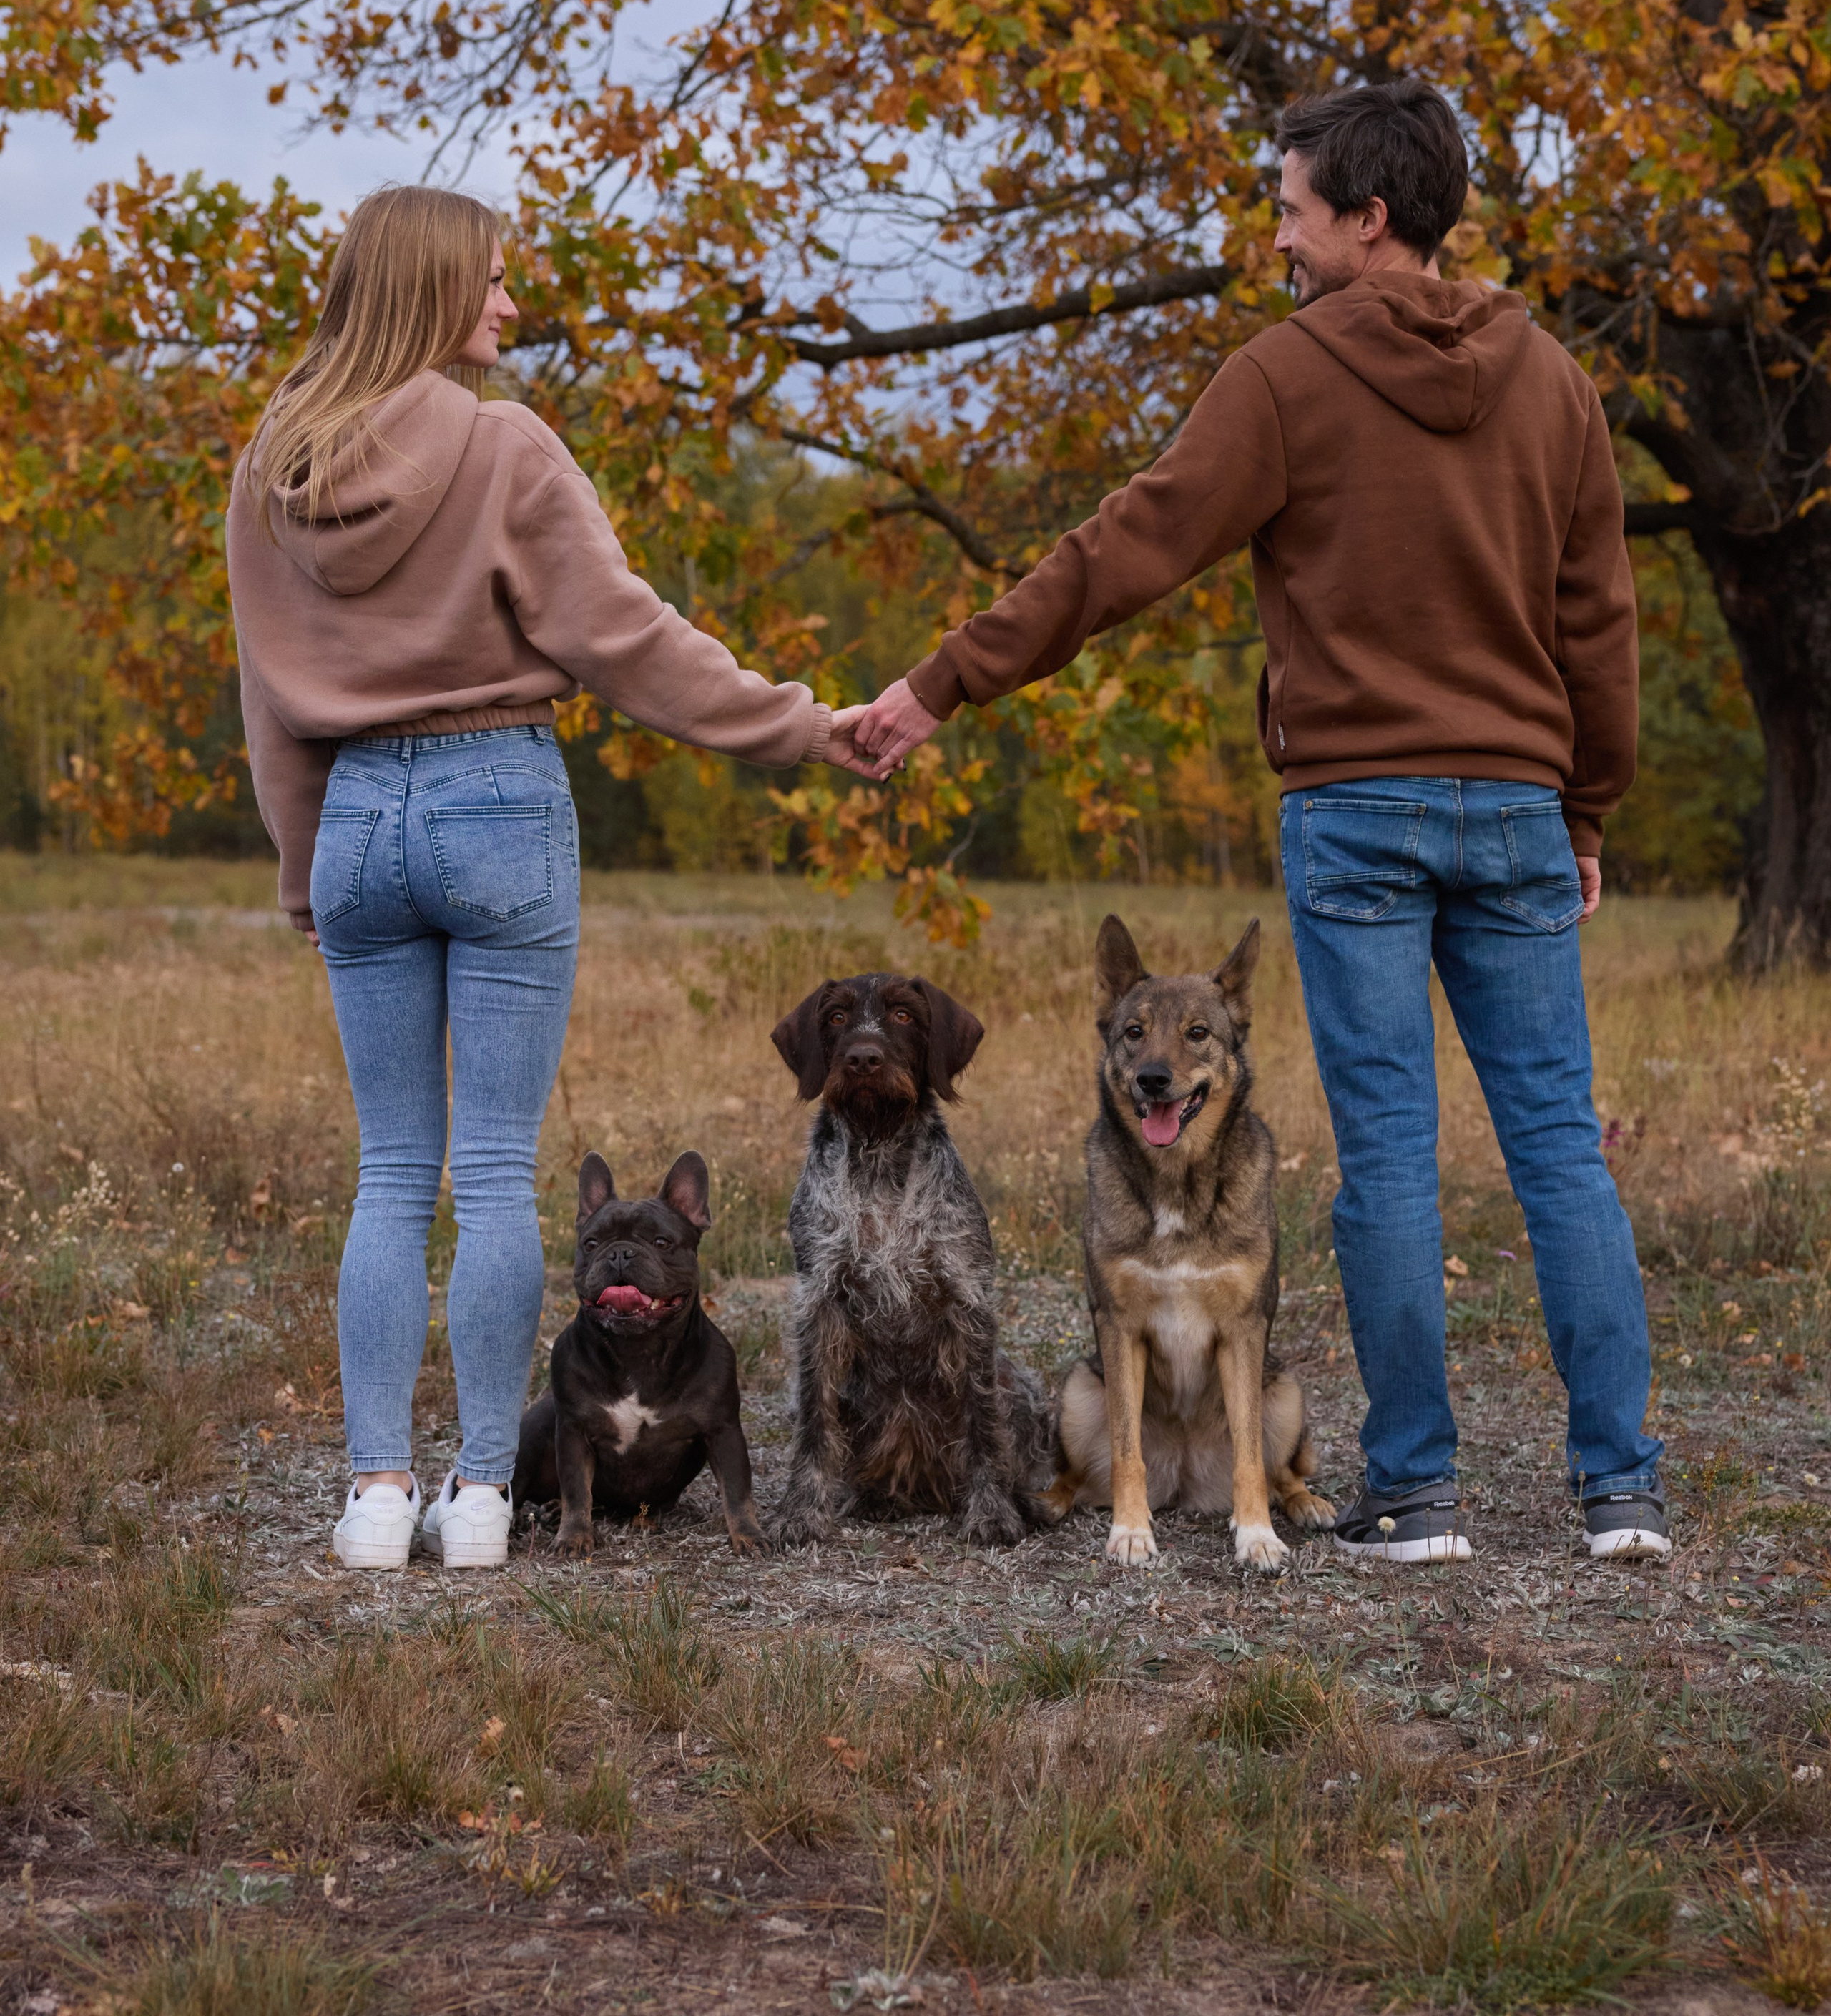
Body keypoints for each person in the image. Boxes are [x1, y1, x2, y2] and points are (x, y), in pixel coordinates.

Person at [852, 79, 1666, 1565]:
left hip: (1356, 813)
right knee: (1558, 1146)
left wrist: (934, 687)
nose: (1274, 241)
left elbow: (1125, 547)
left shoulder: (1287, 376)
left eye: (1290, 211)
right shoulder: (1548, 377)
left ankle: (1414, 1494)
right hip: (1513, 808)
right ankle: (1621, 1492)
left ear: (1367, 220)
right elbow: (1595, 620)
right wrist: (1583, 807)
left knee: (1390, 1154)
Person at [228, 187, 865, 1571]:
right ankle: (476, 1502)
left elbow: (268, 703)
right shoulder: (504, 445)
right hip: (497, 798)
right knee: (496, 1172)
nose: (512, 305)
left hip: (355, 817)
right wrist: (798, 726)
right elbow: (625, 635)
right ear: (432, 289)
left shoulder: (270, 463)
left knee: (392, 1171)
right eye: (495, 282)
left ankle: (377, 1497)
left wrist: (304, 874)